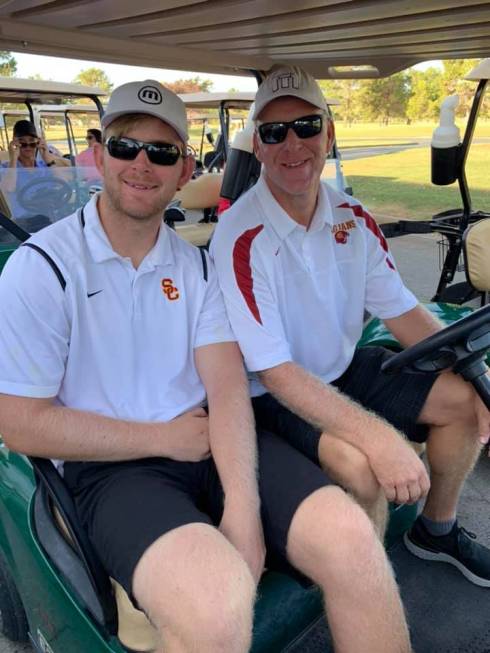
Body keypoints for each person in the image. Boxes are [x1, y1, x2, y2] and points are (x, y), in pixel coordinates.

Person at [0, 79, 413, 653]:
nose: (143, 164)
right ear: (98, 157)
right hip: (113, 470)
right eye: (126, 147)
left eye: (163, 153)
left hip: (210, 440)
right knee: (218, 603)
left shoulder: (196, 268)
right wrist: (163, 438)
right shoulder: (40, 269)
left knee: (353, 541)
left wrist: (243, 510)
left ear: (183, 169)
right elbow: (18, 422)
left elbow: (225, 388)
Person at [211, 64, 490, 586]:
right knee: (363, 464)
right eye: (275, 133)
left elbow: (403, 313)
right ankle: (368, 587)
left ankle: (436, 529)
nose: (293, 144)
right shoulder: (240, 235)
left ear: (329, 133)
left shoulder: (352, 218)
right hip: (274, 393)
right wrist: (381, 440)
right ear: (259, 147)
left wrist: (475, 373)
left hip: (341, 367)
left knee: (464, 402)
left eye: (307, 127)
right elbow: (273, 372)